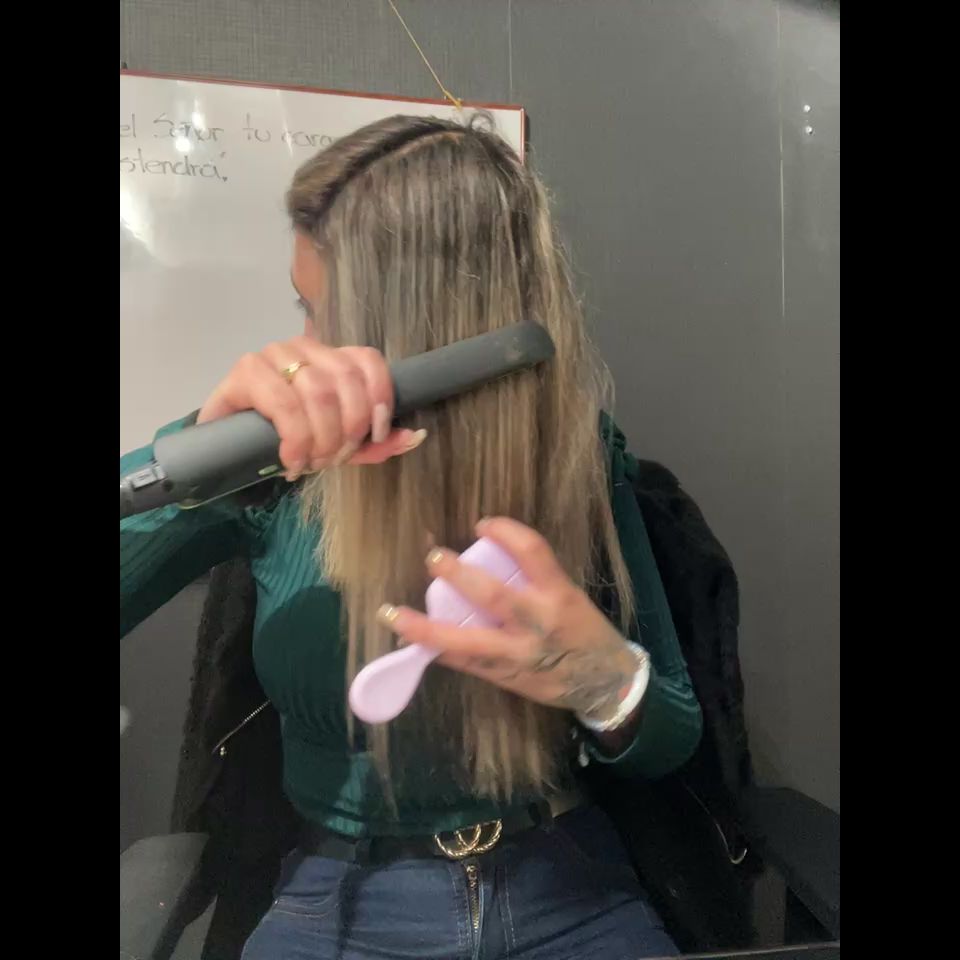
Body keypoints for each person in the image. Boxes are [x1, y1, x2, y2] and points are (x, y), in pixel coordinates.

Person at [120, 114, 703, 960]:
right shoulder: (274, 465)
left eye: (325, 315)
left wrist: (607, 684)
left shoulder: (579, 457)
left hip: (569, 887)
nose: (306, 346)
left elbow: (672, 736)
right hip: (342, 899)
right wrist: (195, 453)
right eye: (302, 309)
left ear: (414, 330)